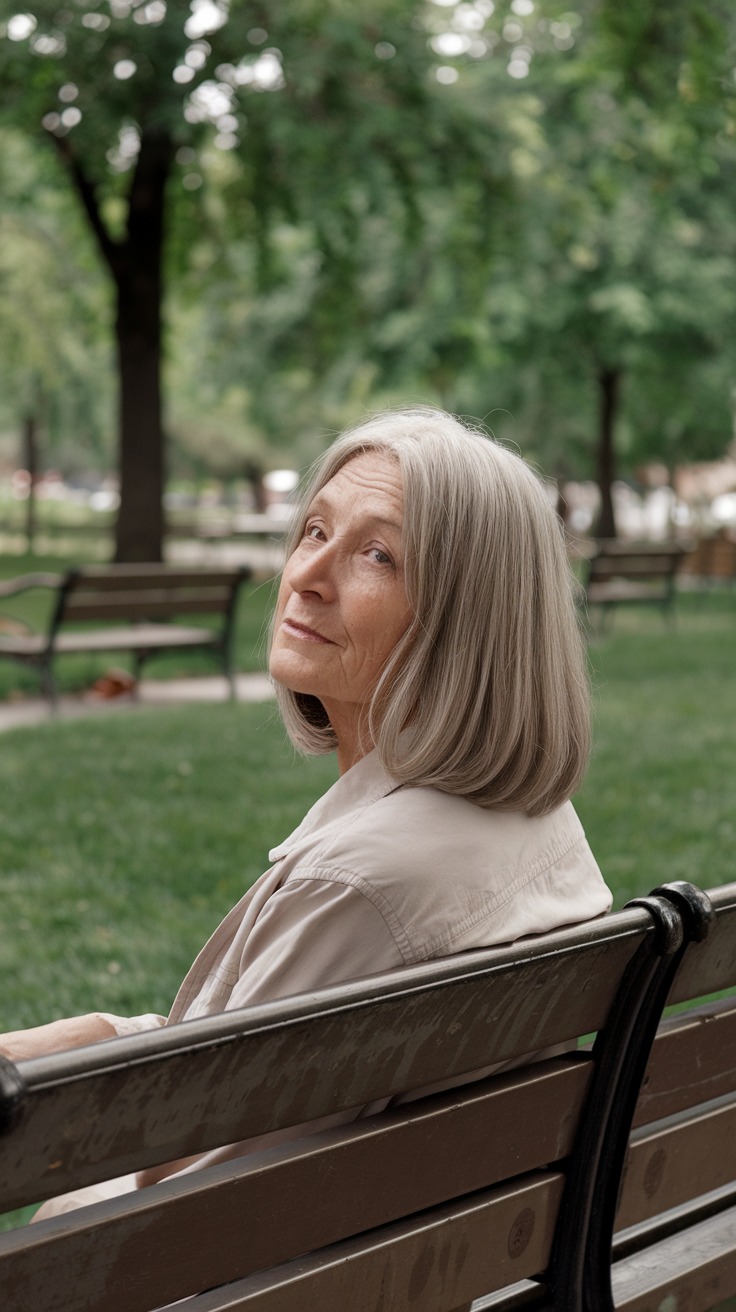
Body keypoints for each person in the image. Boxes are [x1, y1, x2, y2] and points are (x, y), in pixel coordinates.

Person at [0, 407, 611, 1215]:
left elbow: (181, 1210)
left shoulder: (362, 885)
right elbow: (275, 1072)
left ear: (467, 621)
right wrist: (114, 1040)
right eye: (315, 530)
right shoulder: (534, 822)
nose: (307, 576)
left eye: (378, 554)